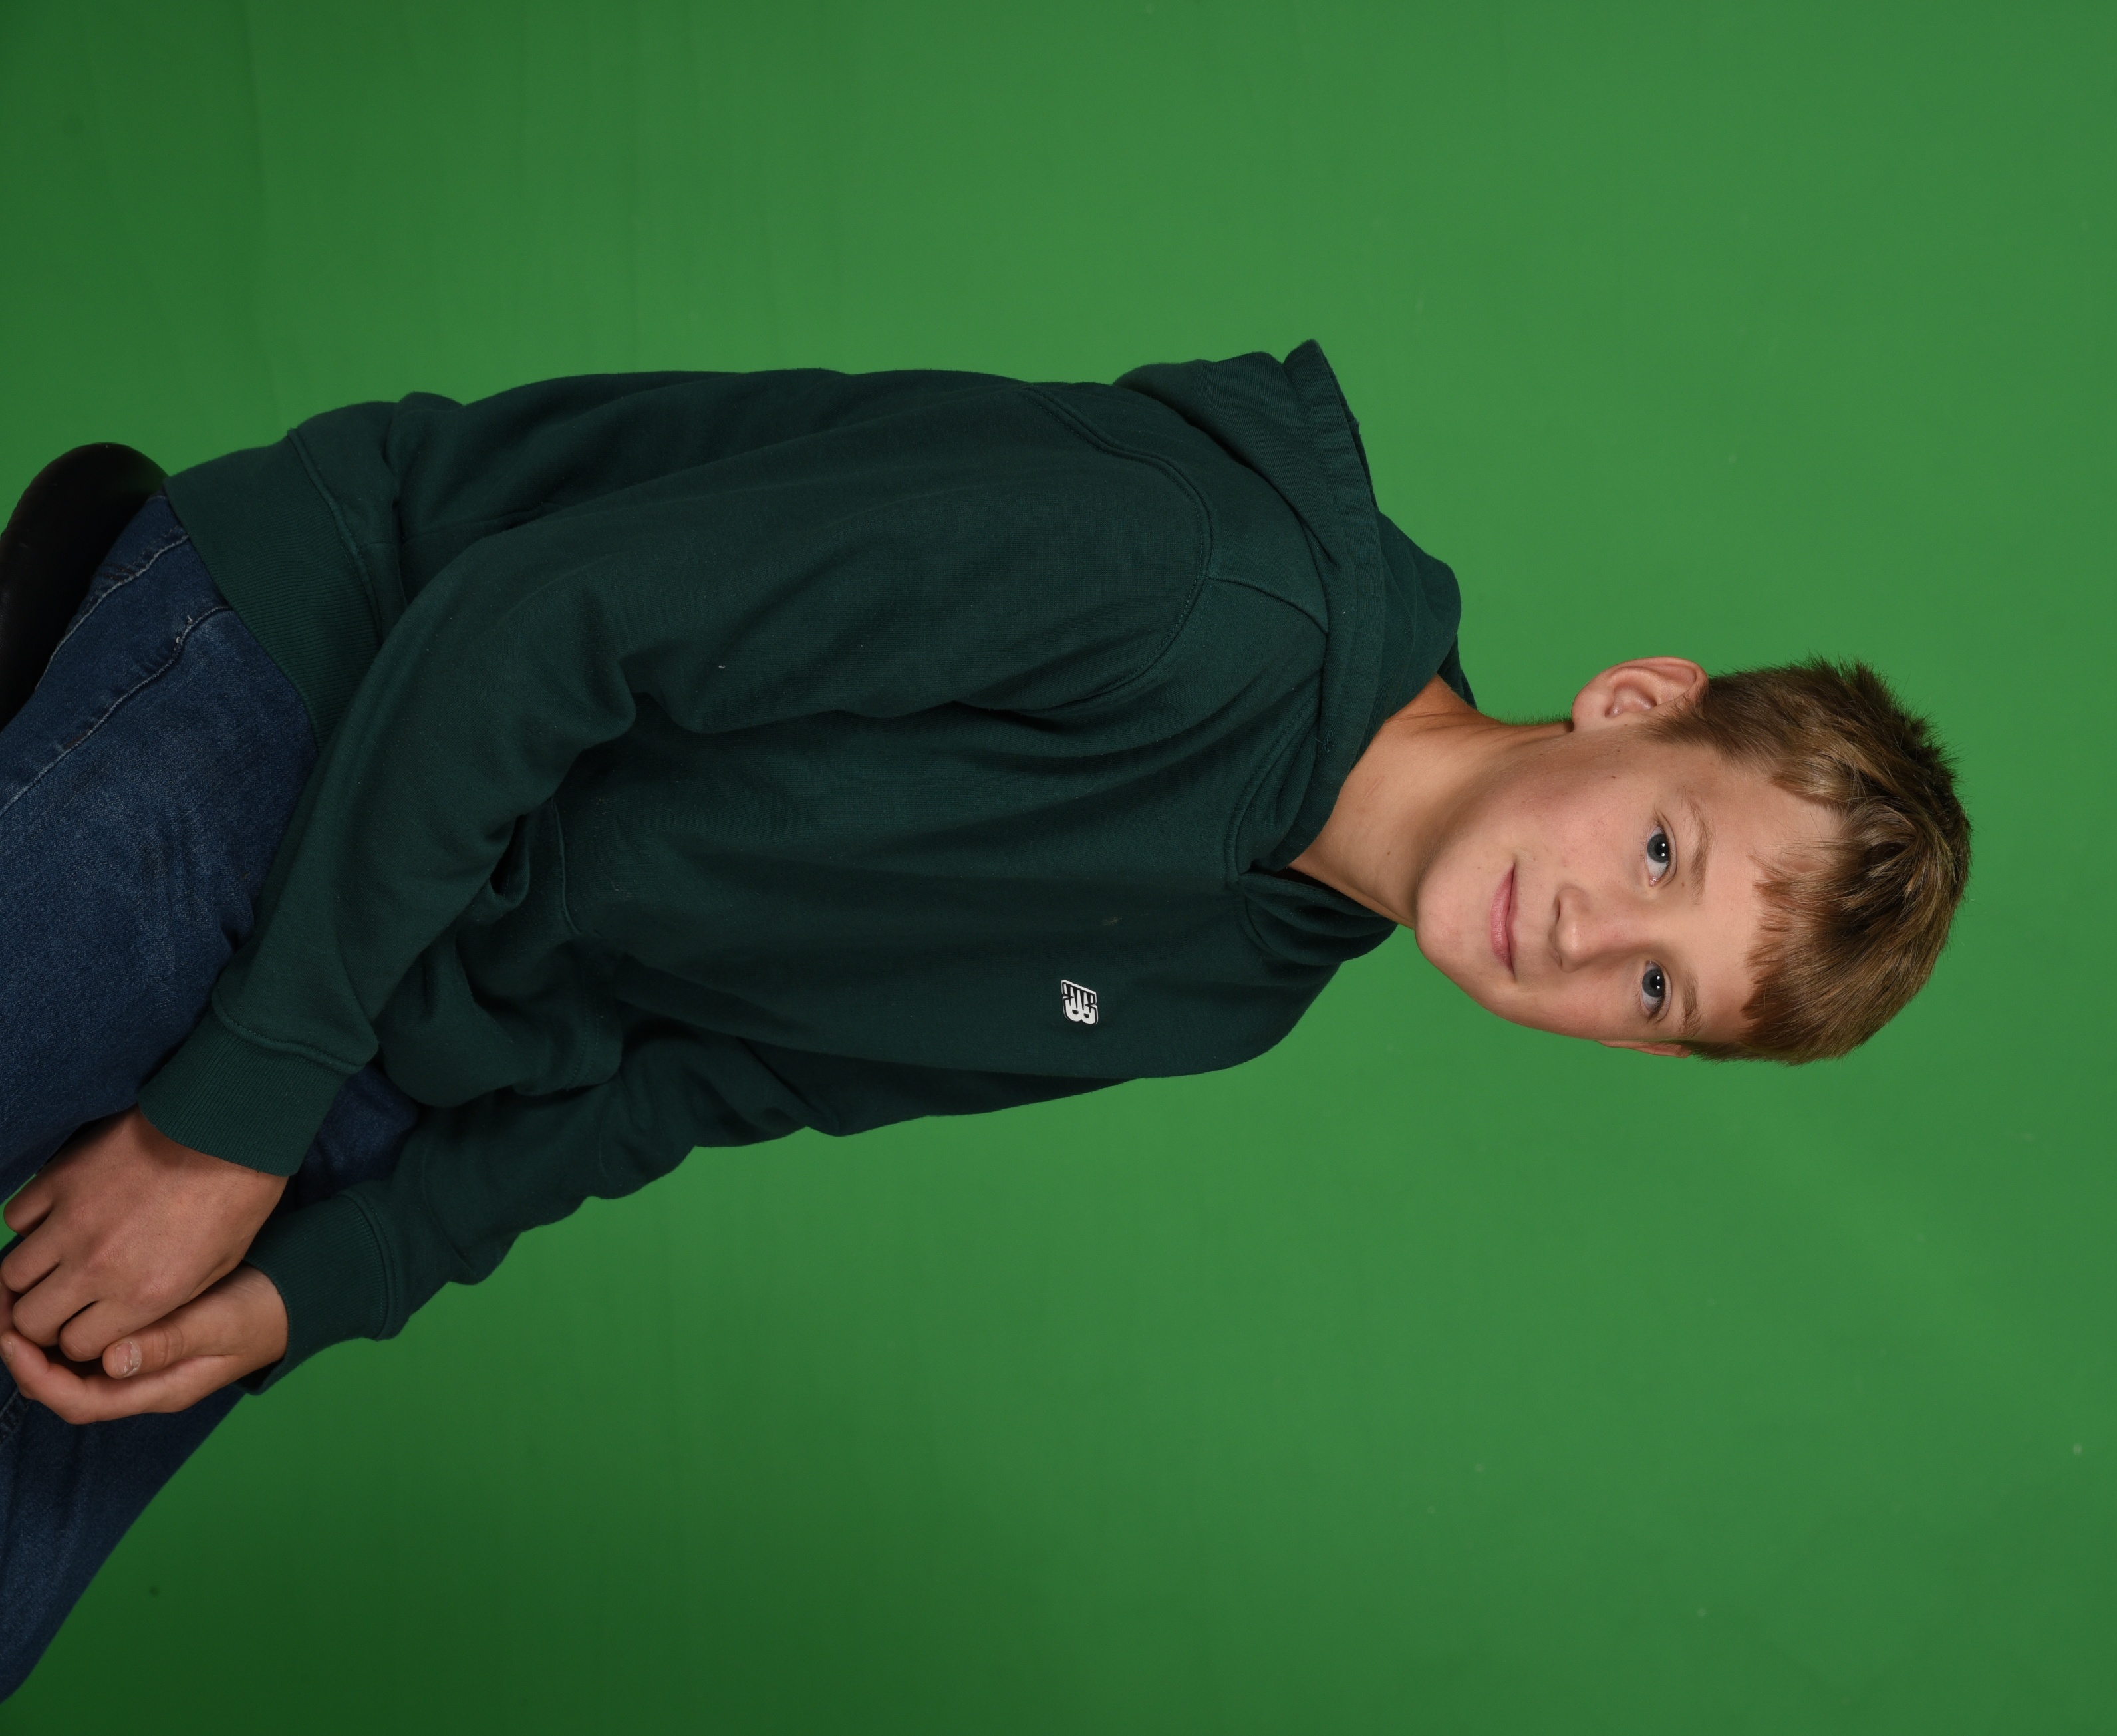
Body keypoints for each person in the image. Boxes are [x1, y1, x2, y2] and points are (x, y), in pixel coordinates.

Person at [0, 342, 1968, 1693]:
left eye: (1656, 988)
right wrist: (226, 1125)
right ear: (1636, 704)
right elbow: (540, 620)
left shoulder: (1234, 991)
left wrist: (319, 1282)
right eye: (1661, 846)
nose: (1594, 935)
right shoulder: (1194, 581)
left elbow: (714, 1070)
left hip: (407, 1021)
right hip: (318, 693)